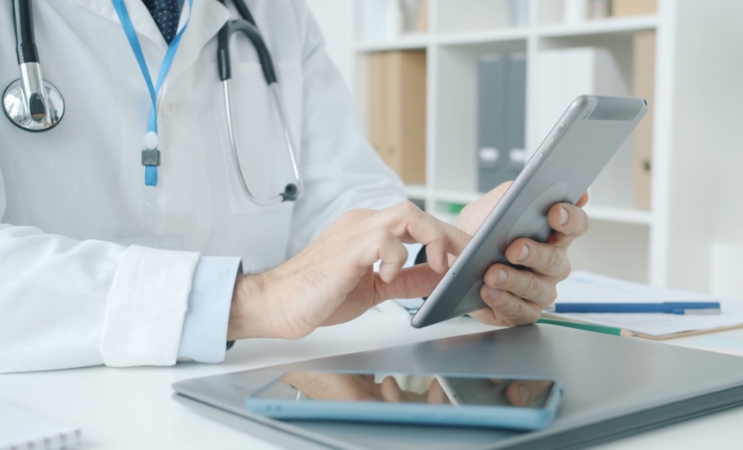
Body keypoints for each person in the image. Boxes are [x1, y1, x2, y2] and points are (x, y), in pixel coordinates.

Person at [0, 0, 589, 373]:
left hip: (250, 386)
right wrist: (250, 301)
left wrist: (452, 263)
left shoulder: (276, 13)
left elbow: (344, 201)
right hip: (55, 405)